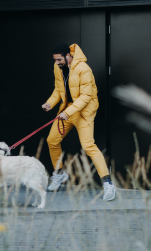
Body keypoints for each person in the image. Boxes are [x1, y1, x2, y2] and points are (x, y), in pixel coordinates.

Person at [42, 43, 116, 201]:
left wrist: (67, 113)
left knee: (88, 146)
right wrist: (50, 103)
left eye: (59, 59)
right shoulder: (58, 67)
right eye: (54, 60)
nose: (56, 63)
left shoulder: (84, 69)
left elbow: (85, 97)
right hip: (68, 110)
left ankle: (108, 184)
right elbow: (58, 89)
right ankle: (60, 174)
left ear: (68, 56)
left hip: (84, 112)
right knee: (52, 140)